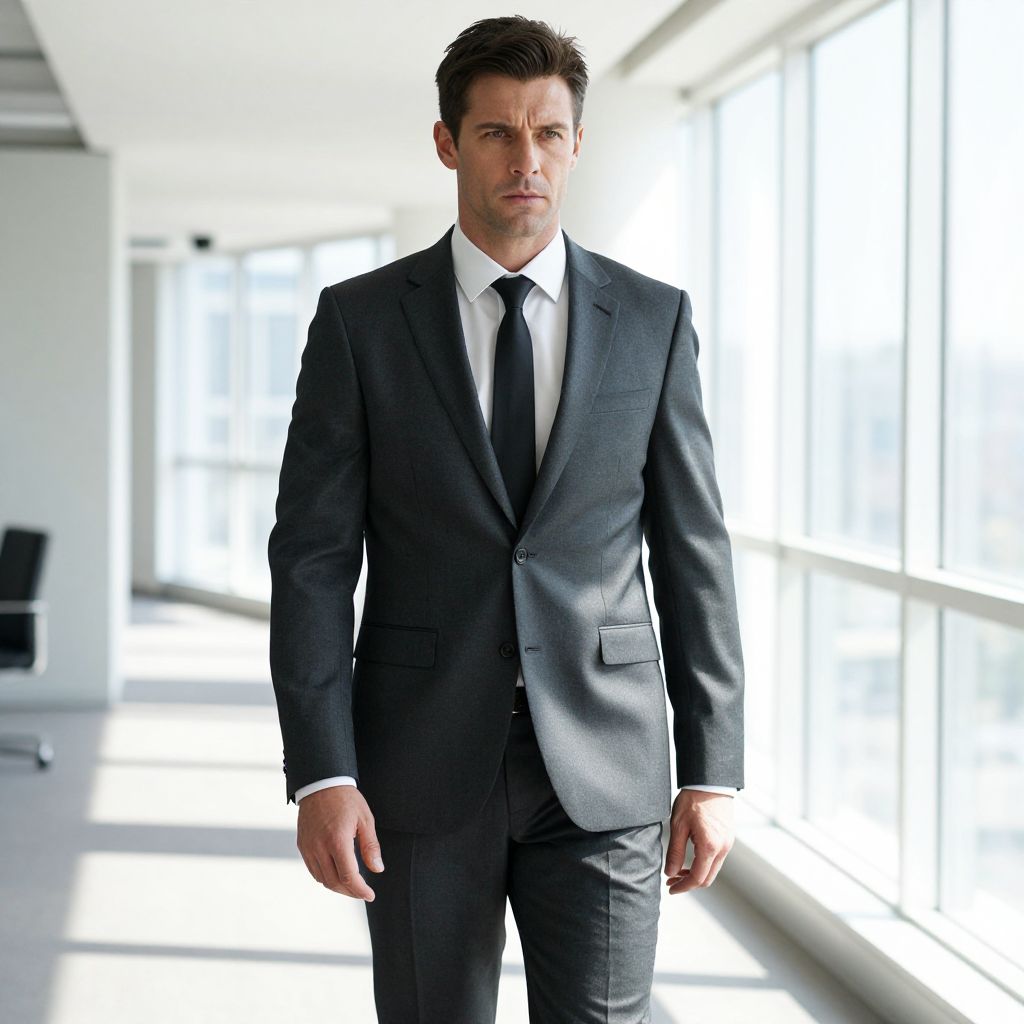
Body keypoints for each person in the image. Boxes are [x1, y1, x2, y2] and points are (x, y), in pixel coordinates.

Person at [268, 14, 744, 1023]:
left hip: (606, 762)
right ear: (447, 143)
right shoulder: (359, 324)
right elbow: (312, 559)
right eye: (495, 132)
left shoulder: (653, 322)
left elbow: (692, 548)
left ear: (574, 144)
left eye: (548, 133)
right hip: (417, 762)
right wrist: (321, 770)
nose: (525, 158)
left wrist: (713, 768)